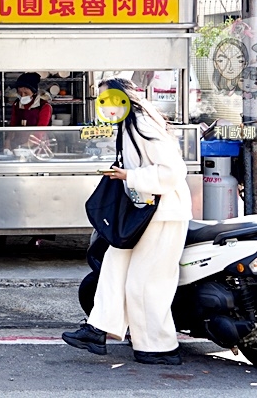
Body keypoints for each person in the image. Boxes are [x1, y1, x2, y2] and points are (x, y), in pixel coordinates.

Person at [62, 77, 193, 366]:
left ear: (125, 98)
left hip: (162, 213)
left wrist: (130, 176)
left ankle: (160, 347)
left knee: (146, 282)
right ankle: (97, 330)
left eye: (109, 99)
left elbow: (173, 171)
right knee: (113, 266)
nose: (105, 106)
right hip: (140, 211)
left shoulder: (142, 123)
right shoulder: (128, 124)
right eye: (101, 100)